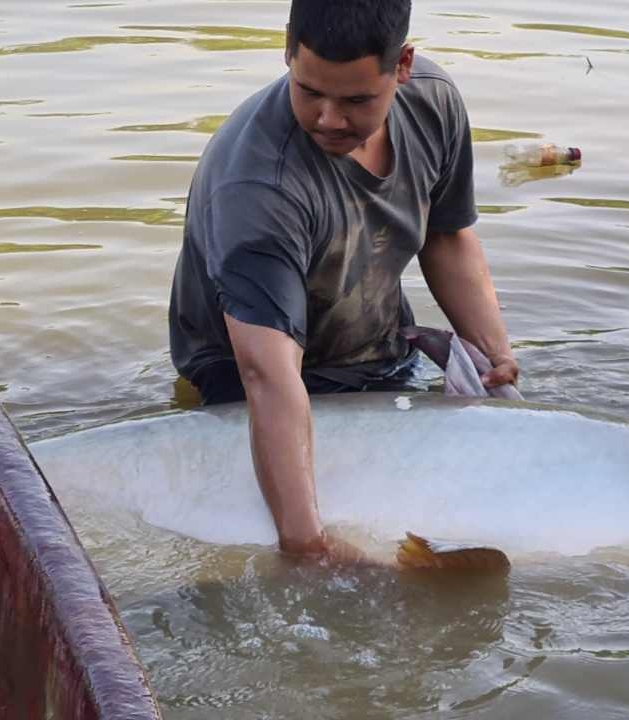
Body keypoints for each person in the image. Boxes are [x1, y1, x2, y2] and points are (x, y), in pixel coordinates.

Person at [168, 0, 518, 563]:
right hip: (251, 376)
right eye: (309, 91)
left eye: (356, 100)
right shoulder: (258, 185)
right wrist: (308, 547)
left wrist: (494, 355)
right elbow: (268, 375)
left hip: (376, 349)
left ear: (402, 65)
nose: (329, 119)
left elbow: (446, 237)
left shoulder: (434, 102)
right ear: (287, 48)